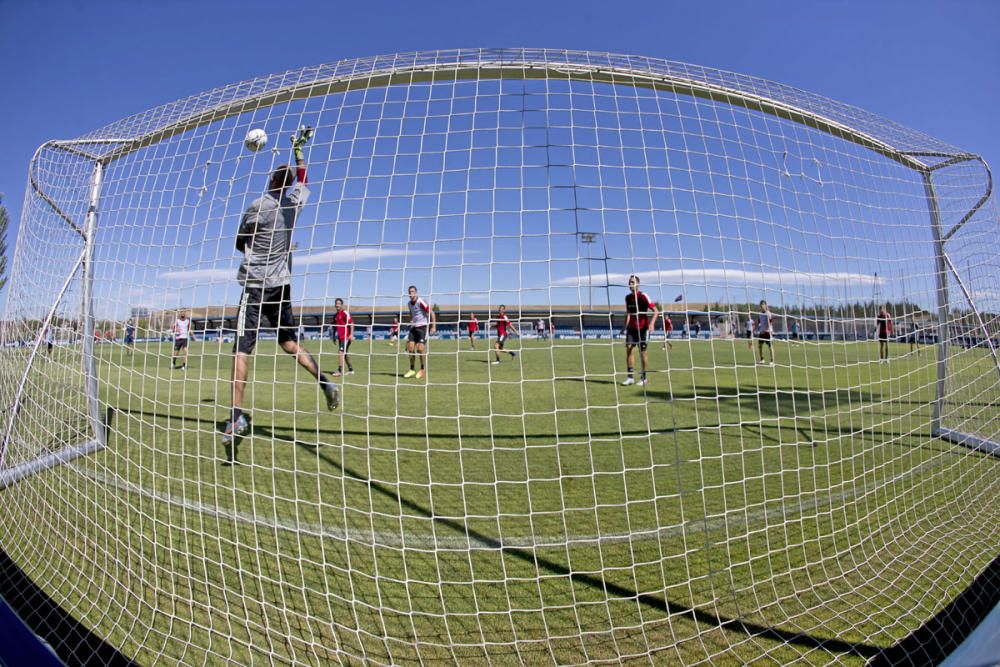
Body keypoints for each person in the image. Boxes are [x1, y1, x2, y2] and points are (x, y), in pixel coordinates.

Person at [223, 126, 338, 447]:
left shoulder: (257, 205)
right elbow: (304, 179)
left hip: (256, 285)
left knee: (241, 349)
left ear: (272, 180)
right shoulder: (292, 207)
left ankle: (236, 416)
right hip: (283, 286)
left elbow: (239, 243)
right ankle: (325, 382)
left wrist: (253, 255)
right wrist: (299, 150)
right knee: (288, 344)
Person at [622, 274, 659, 386]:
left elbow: (656, 311)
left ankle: (644, 378)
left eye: (633, 282)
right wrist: (624, 327)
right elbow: (628, 313)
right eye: (629, 282)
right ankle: (630, 377)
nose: (630, 284)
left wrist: (652, 324)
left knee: (642, 352)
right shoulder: (627, 298)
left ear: (638, 284)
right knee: (629, 349)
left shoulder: (643, 296)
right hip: (631, 329)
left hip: (643, 329)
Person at [404, 285, 436, 379]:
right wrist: (411, 321)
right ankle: (412, 369)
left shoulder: (421, 301)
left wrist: (433, 326)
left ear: (416, 293)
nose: (411, 293)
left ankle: (422, 369)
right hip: (414, 327)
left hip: (422, 328)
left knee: (421, 349)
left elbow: (432, 313)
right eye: (410, 292)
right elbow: (412, 314)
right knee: (410, 348)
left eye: (413, 291)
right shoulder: (409, 304)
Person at [333, 298, 354, 376]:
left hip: (346, 337)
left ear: (341, 305)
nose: (337, 305)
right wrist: (334, 336)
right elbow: (334, 327)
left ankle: (339, 371)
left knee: (340, 352)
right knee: (345, 354)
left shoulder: (345, 313)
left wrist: (351, 334)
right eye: (336, 303)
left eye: (339, 303)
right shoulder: (335, 315)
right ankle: (351, 370)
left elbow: (351, 323)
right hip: (340, 337)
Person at [756, 300, 775, 366]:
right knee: (760, 346)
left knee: (770, 346)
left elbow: (770, 322)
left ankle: (772, 361)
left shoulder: (768, 313)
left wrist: (766, 329)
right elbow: (759, 321)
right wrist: (759, 325)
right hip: (762, 332)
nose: (762, 306)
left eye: (763, 305)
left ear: (766, 305)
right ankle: (762, 359)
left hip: (768, 332)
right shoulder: (760, 314)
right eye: (761, 305)